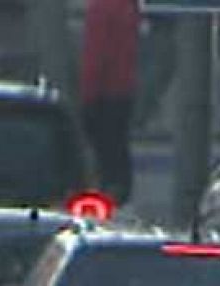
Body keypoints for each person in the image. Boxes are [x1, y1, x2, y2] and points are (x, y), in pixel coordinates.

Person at [80, 0, 140, 204]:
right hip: (123, 91)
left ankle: (106, 193)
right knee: (117, 153)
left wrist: (87, 95)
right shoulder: (129, 7)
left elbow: (96, 56)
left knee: (103, 154)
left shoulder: (102, 7)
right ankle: (117, 194)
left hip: (102, 94)